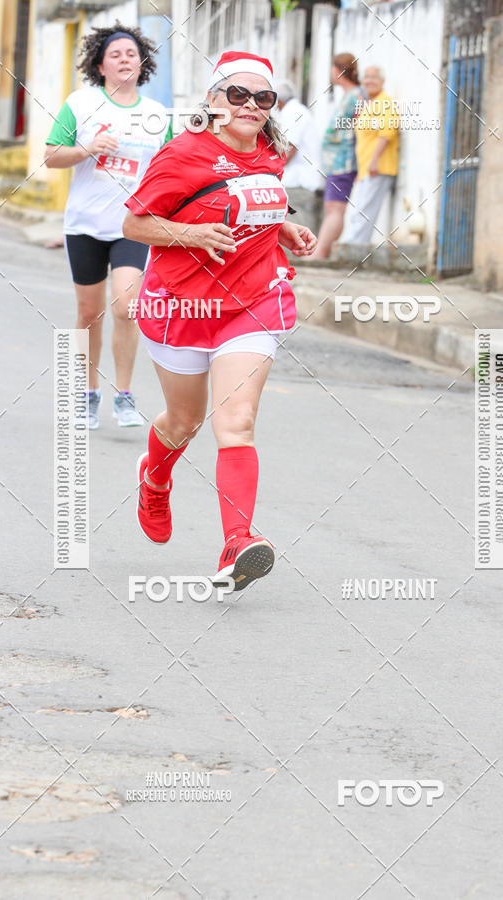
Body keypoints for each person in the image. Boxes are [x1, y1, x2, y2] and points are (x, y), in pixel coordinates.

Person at [122, 50, 317, 591]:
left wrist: (283, 232)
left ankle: (237, 542)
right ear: (212, 100)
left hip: (254, 300)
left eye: (263, 98)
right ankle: (155, 478)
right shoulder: (182, 154)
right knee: (184, 421)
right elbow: (136, 224)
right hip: (183, 306)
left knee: (237, 421)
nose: (250, 106)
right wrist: (193, 236)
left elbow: (252, 203)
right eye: (237, 94)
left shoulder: (271, 150)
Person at [44, 22, 172, 429]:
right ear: (100, 66)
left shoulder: (156, 114)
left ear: (141, 63)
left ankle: (124, 396)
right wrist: (87, 148)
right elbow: (51, 156)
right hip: (84, 224)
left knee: (126, 307)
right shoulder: (80, 104)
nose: (124, 60)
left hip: (131, 226)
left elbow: (170, 170)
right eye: (115, 55)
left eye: (131, 54)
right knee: (89, 313)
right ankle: (88, 394)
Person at [311, 53, 362, 260]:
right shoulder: (349, 95)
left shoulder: (357, 95)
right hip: (336, 163)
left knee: (335, 207)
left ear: (338, 70)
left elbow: (361, 129)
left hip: (344, 162)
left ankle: (321, 253)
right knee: (331, 207)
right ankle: (320, 252)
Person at [346, 65, 399, 245]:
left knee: (364, 211)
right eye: (366, 77)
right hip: (365, 168)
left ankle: (355, 249)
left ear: (382, 81)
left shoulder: (385, 103)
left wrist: (374, 160)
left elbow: (387, 133)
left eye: (374, 77)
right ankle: (354, 247)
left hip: (378, 166)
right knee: (359, 210)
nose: (369, 81)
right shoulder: (369, 104)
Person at [275, 79, 324, 236]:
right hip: (303, 181)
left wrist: (274, 170)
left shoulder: (292, 112)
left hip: (298, 182)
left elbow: (290, 147)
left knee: (298, 231)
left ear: (279, 100)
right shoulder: (299, 110)